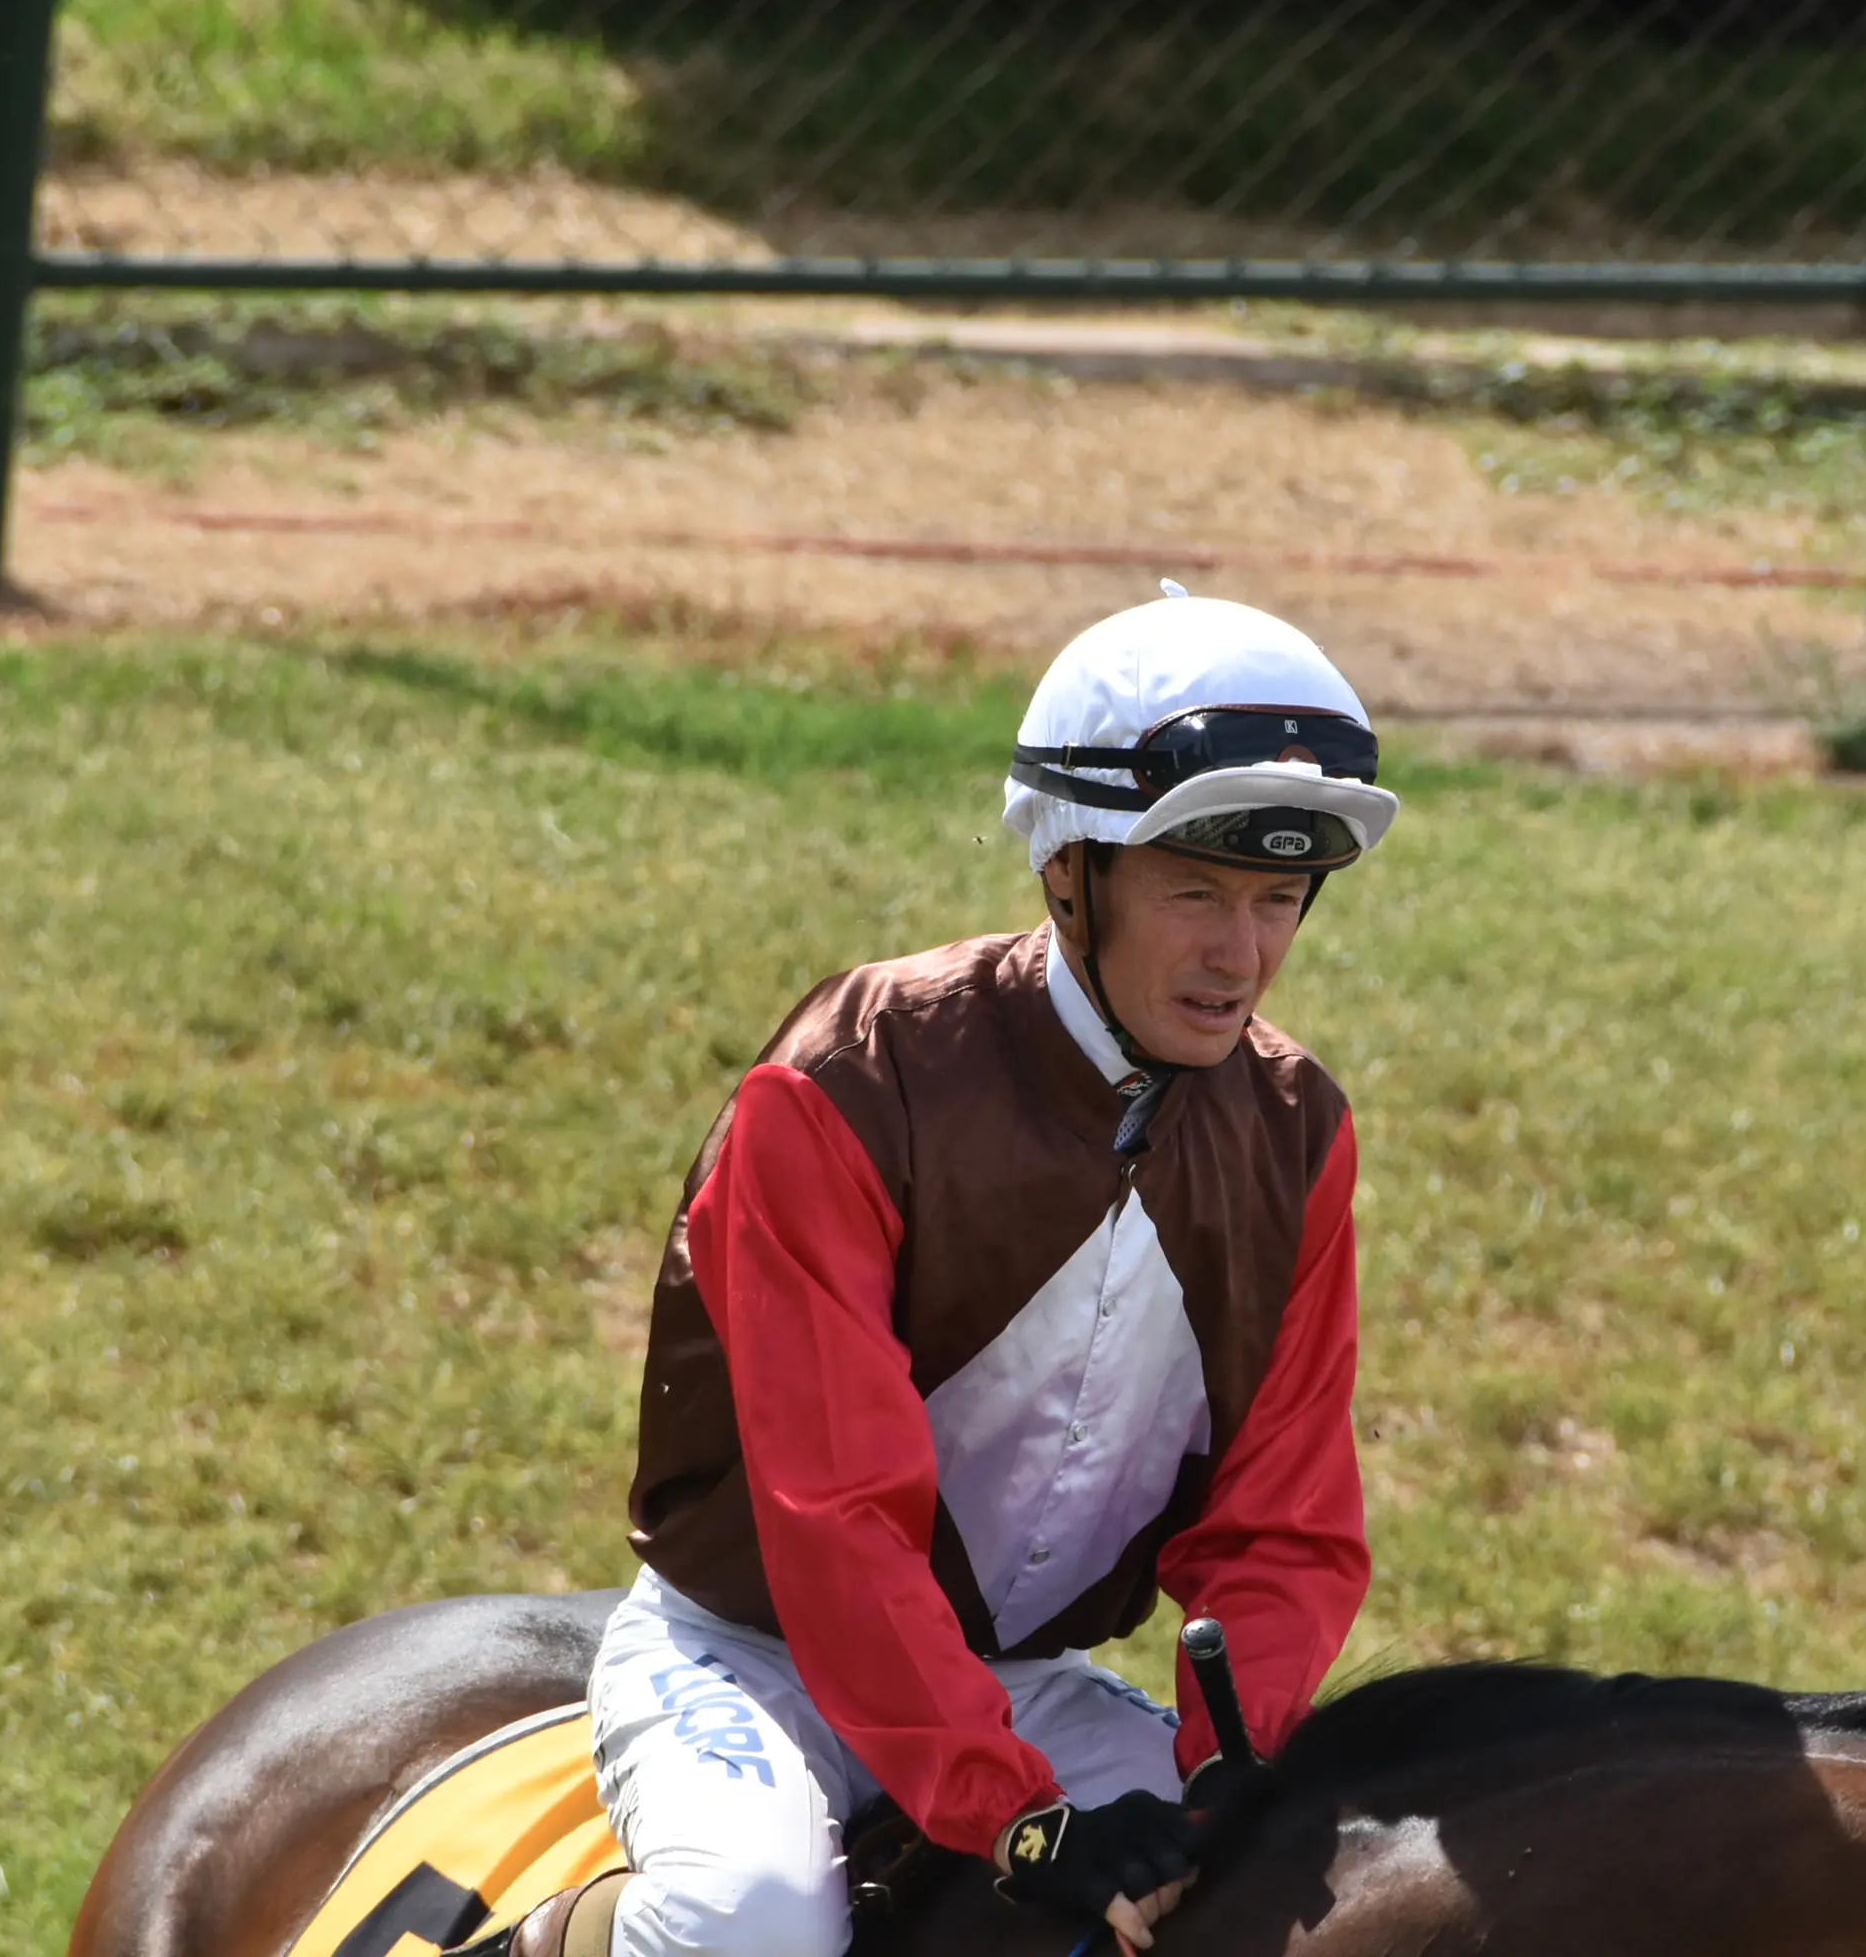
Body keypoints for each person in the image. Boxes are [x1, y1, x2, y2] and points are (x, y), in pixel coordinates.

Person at [475, 590, 1396, 1957]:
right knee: (754, 1924)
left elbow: (1284, 1526)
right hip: (750, 1663)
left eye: (1277, 902)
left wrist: (1226, 1760)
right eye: (1194, 893)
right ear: (1068, 874)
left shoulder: (1298, 1132)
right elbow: (836, 1512)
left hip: (1030, 1684)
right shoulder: (852, 1079)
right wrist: (1011, 1812)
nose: (1241, 954)